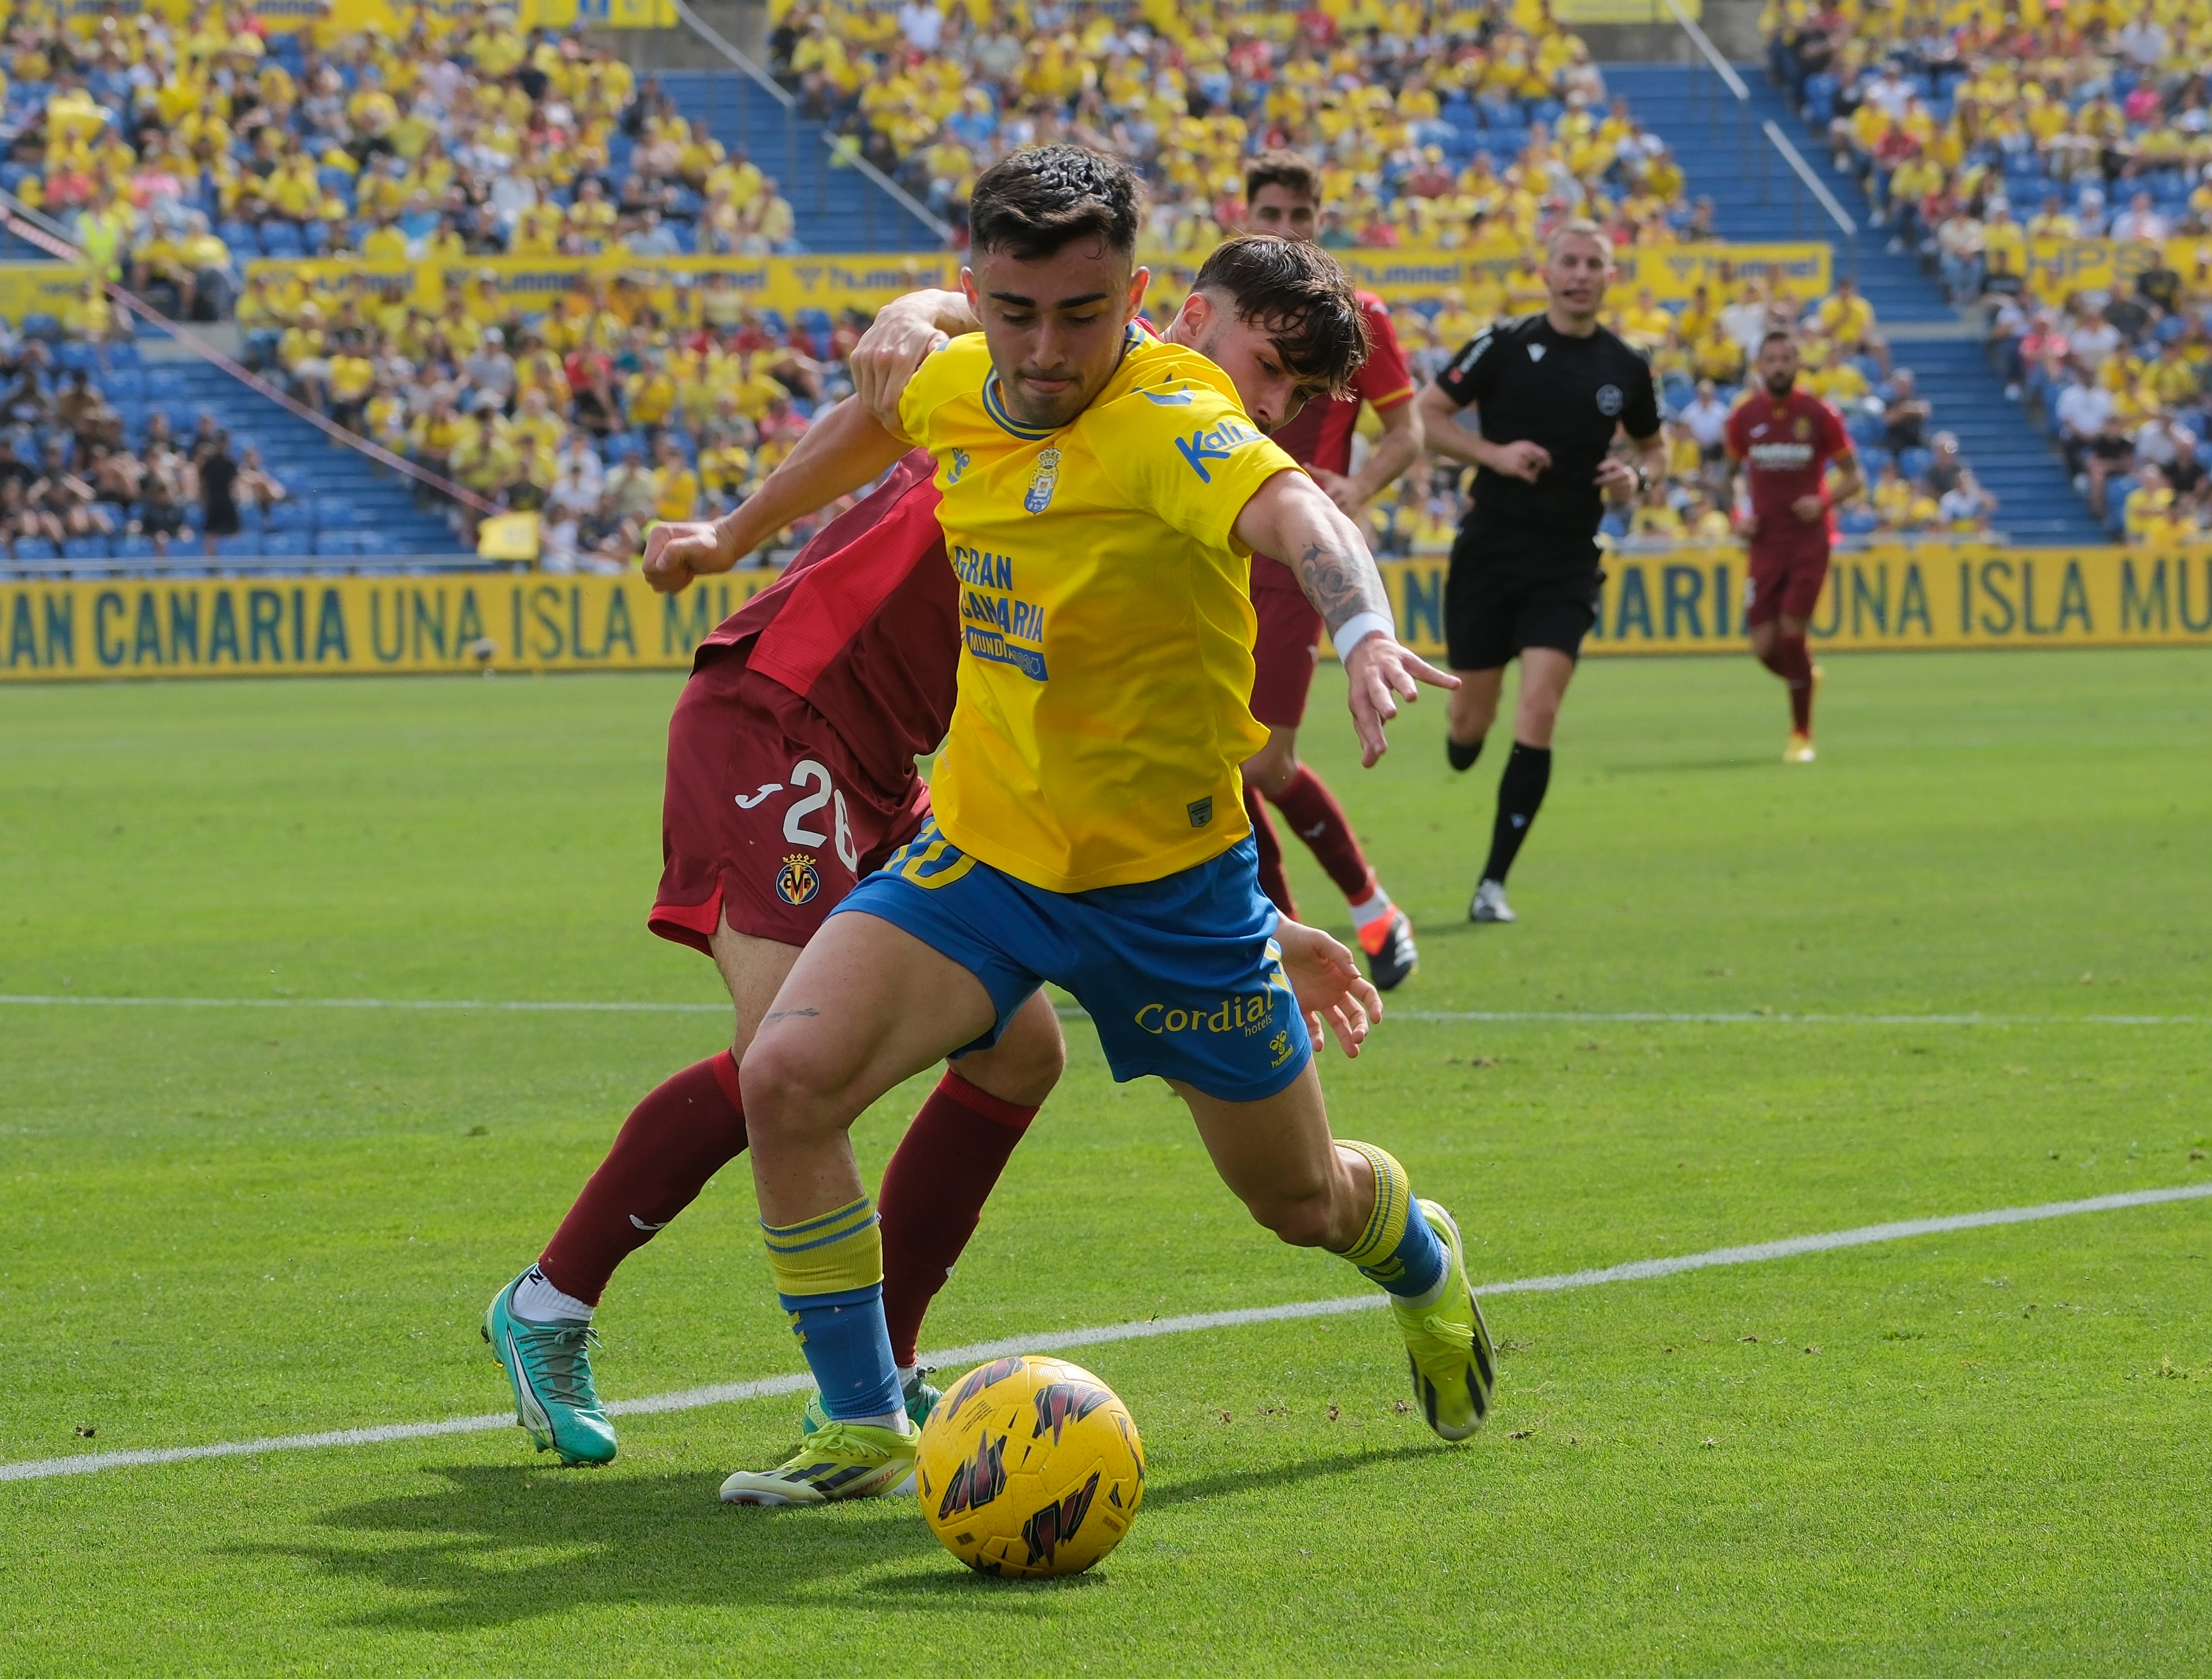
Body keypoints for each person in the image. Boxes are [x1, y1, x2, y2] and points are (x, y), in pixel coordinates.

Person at [481, 231, 1390, 1472]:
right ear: (1178, 314)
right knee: (788, 1064)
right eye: (1263, 366)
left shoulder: (1170, 453)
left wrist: (1258, 925)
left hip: (907, 771)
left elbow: (1099, 755)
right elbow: (917, 343)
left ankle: (882, 1367)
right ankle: (554, 1302)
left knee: (1019, 1051)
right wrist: (742, 523)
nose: (1269, 405)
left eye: (1296, 397)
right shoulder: (1050, 373)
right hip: (787, 713)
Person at [678, 151, 1481, 1509]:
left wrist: (1360, 625)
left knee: (1299, 1202)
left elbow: (1292, 510)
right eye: (1013, 311)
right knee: (788, 1080)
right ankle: (863, 1414)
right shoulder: (965, 376)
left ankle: (1420, 1257)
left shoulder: (1176, 414)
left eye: (1082, 313)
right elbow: (883, 415)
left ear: (1141, 300)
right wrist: (730, 526)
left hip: (1170, 894)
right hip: (980, 860)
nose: (1046, 351)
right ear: (983, 291)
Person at [1416, 221, 1665, 923]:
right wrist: (1493, 455)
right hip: (1490, 549)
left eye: (1594, 263)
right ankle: (1464, 738)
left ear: (1609, 276)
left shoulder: (1627, 365)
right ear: (1547, 271)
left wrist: (1634, 479)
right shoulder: (1502, 343)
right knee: (1470, 724)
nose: (1581, 273)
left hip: (1567, 558)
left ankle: (1492, 883)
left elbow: (1656, 452)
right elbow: (1427, 416)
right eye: (1569, 261)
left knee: (1540, 709)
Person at [1232, 149, 1426, 988]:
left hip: (1288, 563)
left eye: (1298, 217)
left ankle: (1362, 906)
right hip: (1206, 551)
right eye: (1268, 215)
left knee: (1258, 765)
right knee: (1216, 758)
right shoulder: (1221, 312)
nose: (1283, 230)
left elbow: (1406, 433)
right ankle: (1271, 941)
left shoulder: (1358, 316)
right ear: (1242, 217)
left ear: (1319, 221)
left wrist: (1357, 486)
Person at [1723, 330, 1862, 764]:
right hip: (1764, 543)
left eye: (1786, 359)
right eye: (1771, 359)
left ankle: (1801, 735)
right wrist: (1735, 515)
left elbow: (1854, 477)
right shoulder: (1743, 418)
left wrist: (1822, 502)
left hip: (1807, 542)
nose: (1778, 366)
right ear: (1759, 367)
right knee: (1763, 647)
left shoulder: (1818, 414)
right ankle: (1805, 677)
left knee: (1790, 634)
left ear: (1798, 364)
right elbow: (1726, 476)